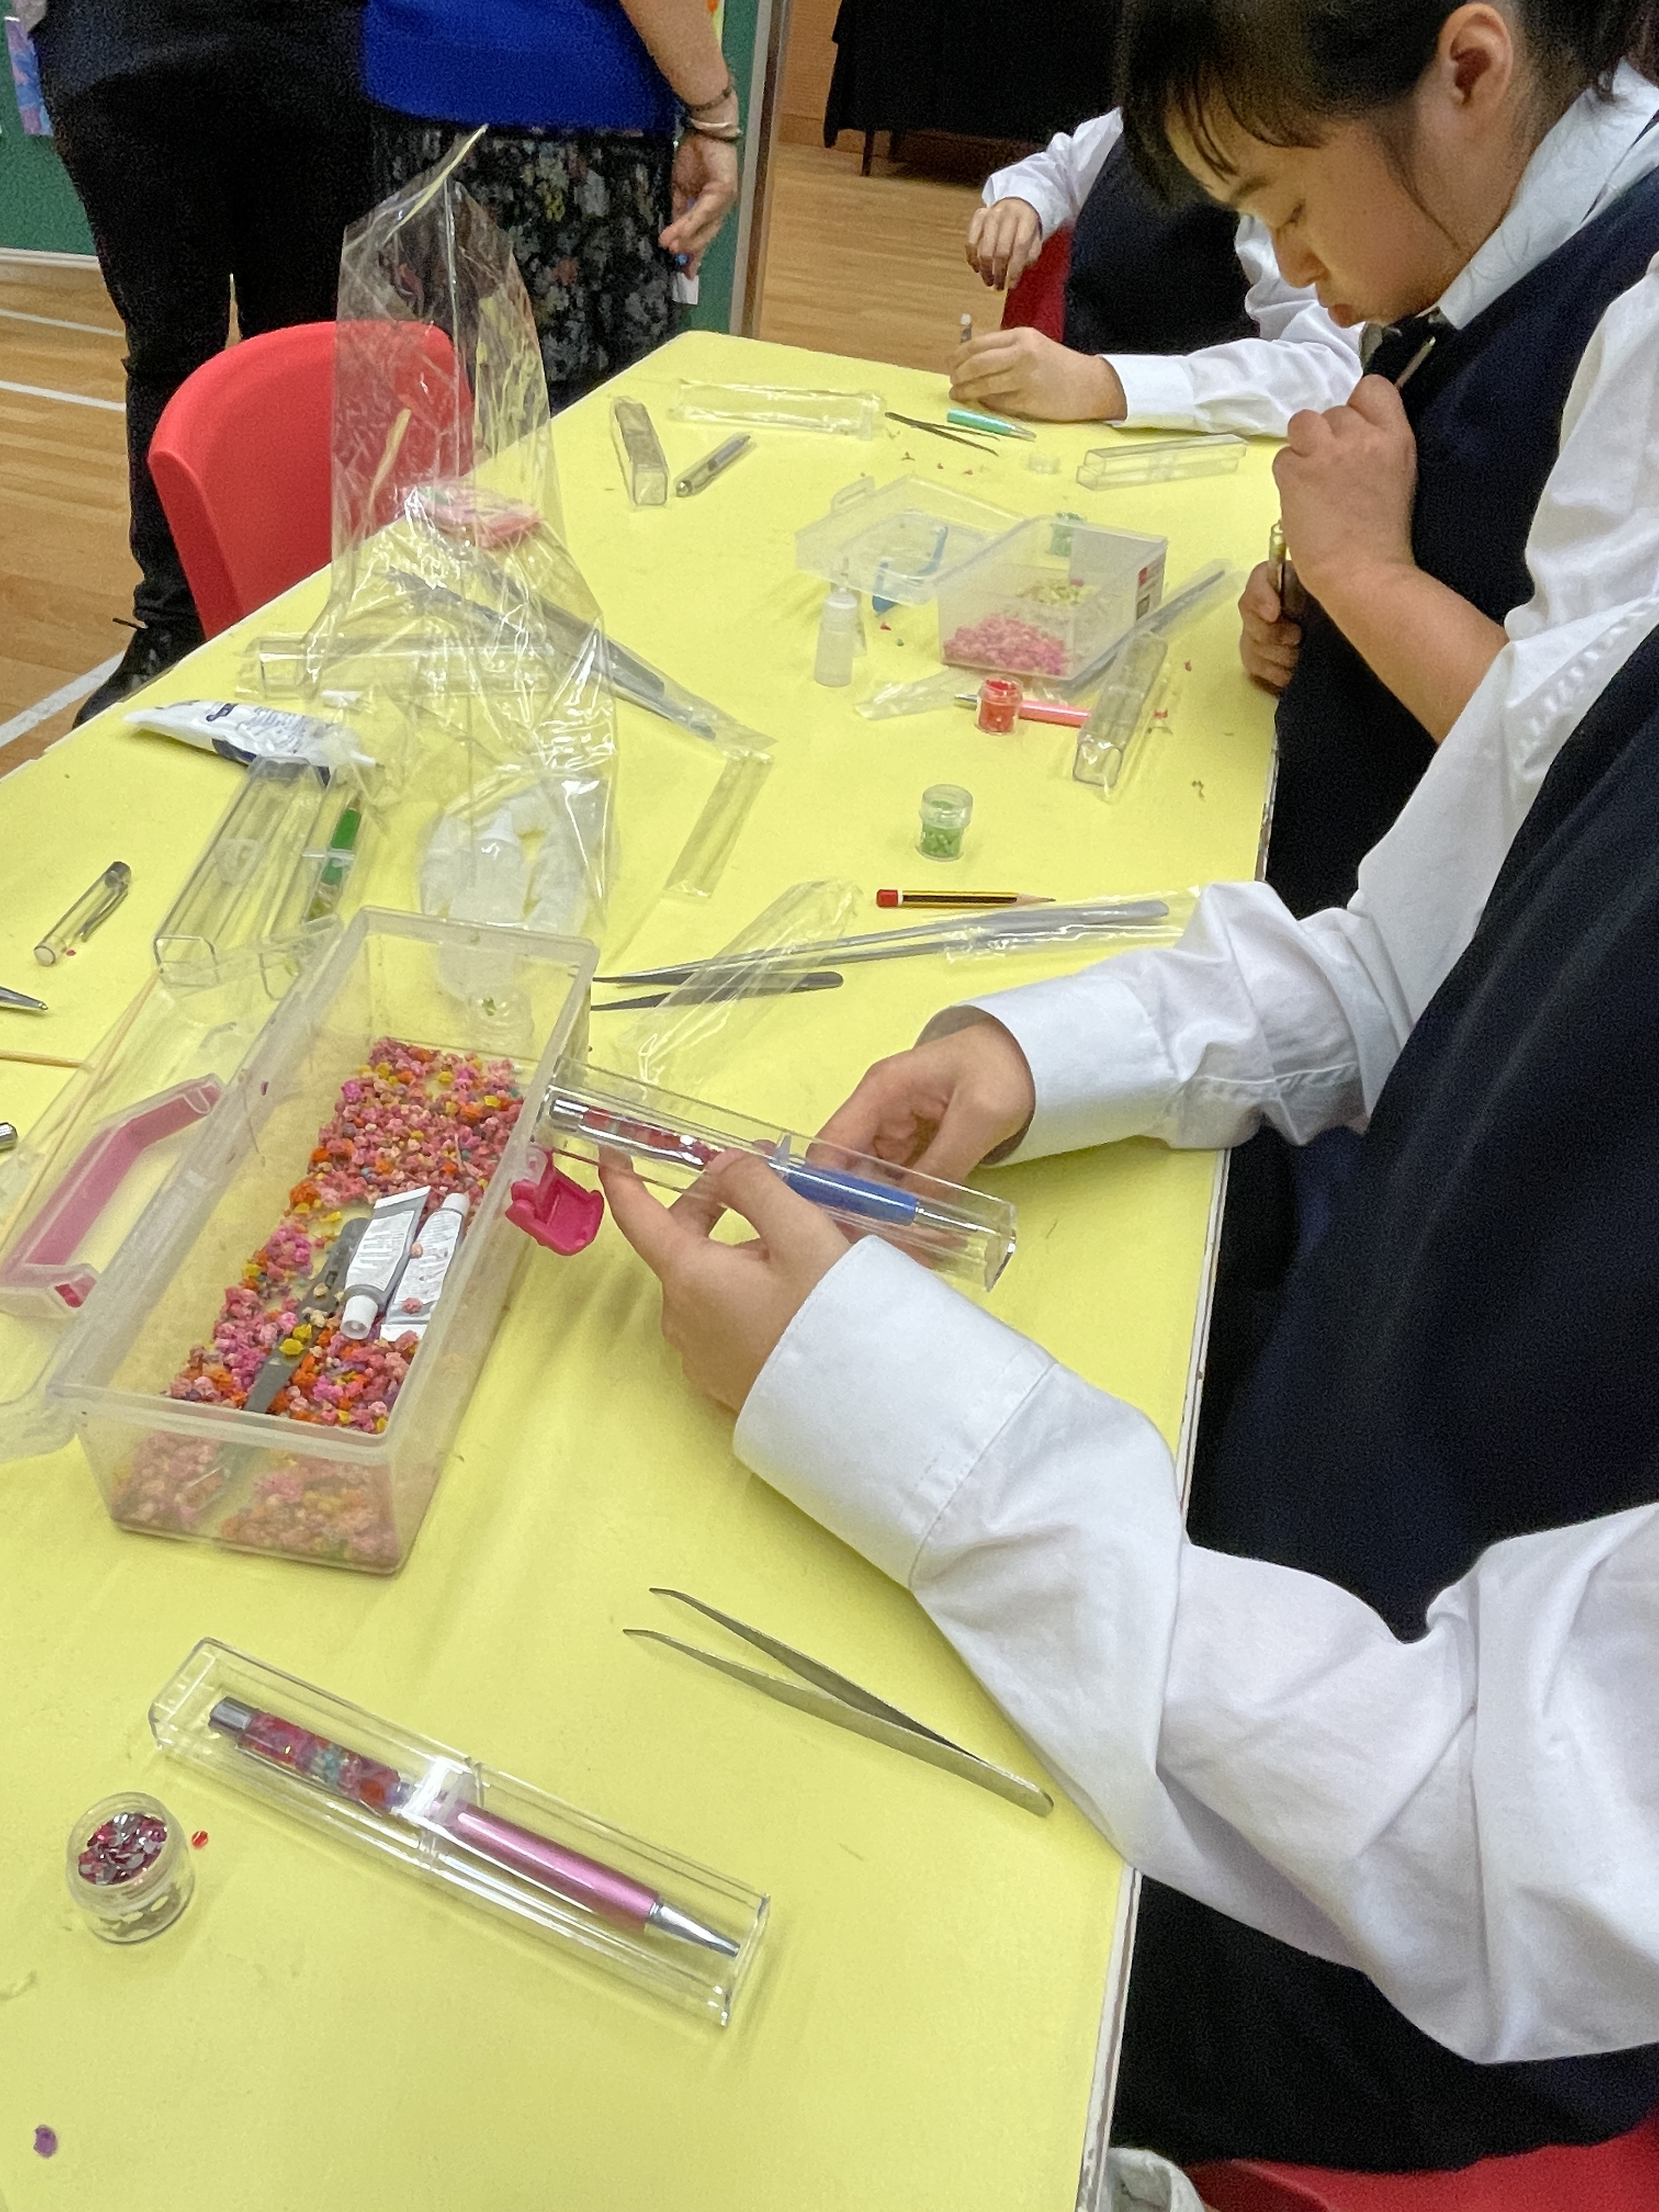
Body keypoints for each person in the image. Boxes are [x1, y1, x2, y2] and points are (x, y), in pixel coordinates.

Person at [592, 4, 1659, 2179]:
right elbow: (1389, 955)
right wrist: (1027, 1051)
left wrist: (906, 1418)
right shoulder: (1617, 637)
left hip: (1376, 1927)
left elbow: (1501, 1838)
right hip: (1315, 1511)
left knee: (734, 1943)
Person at [31, 0, 374, 727]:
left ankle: (314, 601)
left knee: (308, 349)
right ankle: (175, 624)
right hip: (120, 42)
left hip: (308, 38)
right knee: (169, 354)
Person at [362, 0, 739, 409]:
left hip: (417, 82)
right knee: (571, 418)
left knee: (441, 401)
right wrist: (715, 113)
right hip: (566, 109)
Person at [956, 110, 1364, 434]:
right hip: (1077, 433)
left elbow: (1327, 368)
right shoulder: (1137, 121)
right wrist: (1022, 202)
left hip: (1195, 455)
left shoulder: (1279, 165)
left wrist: (1107, 385)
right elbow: (1062, 165)